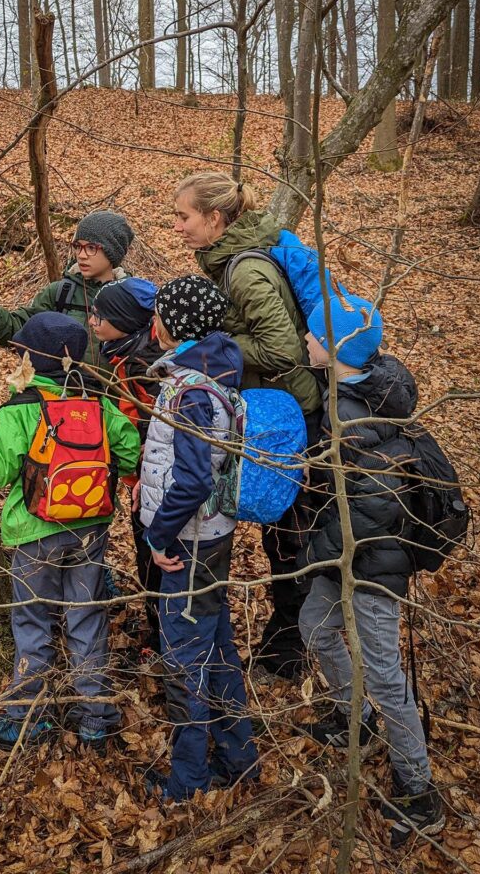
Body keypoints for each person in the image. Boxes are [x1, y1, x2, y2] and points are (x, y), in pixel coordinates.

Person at [0, 312, 141, 752]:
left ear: (30, 362)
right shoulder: (98, 404)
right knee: (86, 616)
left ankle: (29, 715)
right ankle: (95, 715)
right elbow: (129, 455)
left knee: (32, 620)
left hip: (34, 534)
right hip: (91, 528)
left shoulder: (20, 413)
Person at [297, 294, 444, 849]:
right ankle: (352, 718)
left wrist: (323, 550)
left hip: (372, 564)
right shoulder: (352, 391)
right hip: (344, 555)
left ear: (334, 348)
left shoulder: (354, 417)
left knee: (384, 672)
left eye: (313, 335)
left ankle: (419, 791)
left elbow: (377, 506)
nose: (306, 341)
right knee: (315, 625)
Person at [173, 171, 322, 681]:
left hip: (292, 417)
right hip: (274, 411)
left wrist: (217, 352)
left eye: (184, 217)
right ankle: (289, 642)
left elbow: (283, 349)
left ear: (215, 219)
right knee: (285, 533)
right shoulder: (227, 263)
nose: (178, 227)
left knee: (290, 536)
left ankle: (289, 651)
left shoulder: (244, 272)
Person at [140, 275, 259, 801]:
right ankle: (240, 758)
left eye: (159, 313)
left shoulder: (188, 392)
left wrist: (159, 537)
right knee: (217, 648)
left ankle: (187, 779)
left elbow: (192, 479)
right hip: (214, 537)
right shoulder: (219, 375)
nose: (153, 322)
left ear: (173, 324)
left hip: (187, 544)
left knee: (186, 659)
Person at [88, 277, 164, 655]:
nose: (91, 322)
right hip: (141, 480)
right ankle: (158, 631)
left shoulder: (143, 365)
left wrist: (140, 476)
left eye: (100, 316)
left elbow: (149, 429)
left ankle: (164, 639)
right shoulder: (124, 352)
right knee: (148, 557)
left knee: (156, 559)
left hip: (153, 485)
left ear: (122, 319)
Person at [0, 210, 134, 372]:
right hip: (64, 394)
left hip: (116, 395)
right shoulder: (61, 293)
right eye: (78, 246)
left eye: (91, 247)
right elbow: (23, 332)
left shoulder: (132, 297)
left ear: (113, 251)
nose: (81, 255)